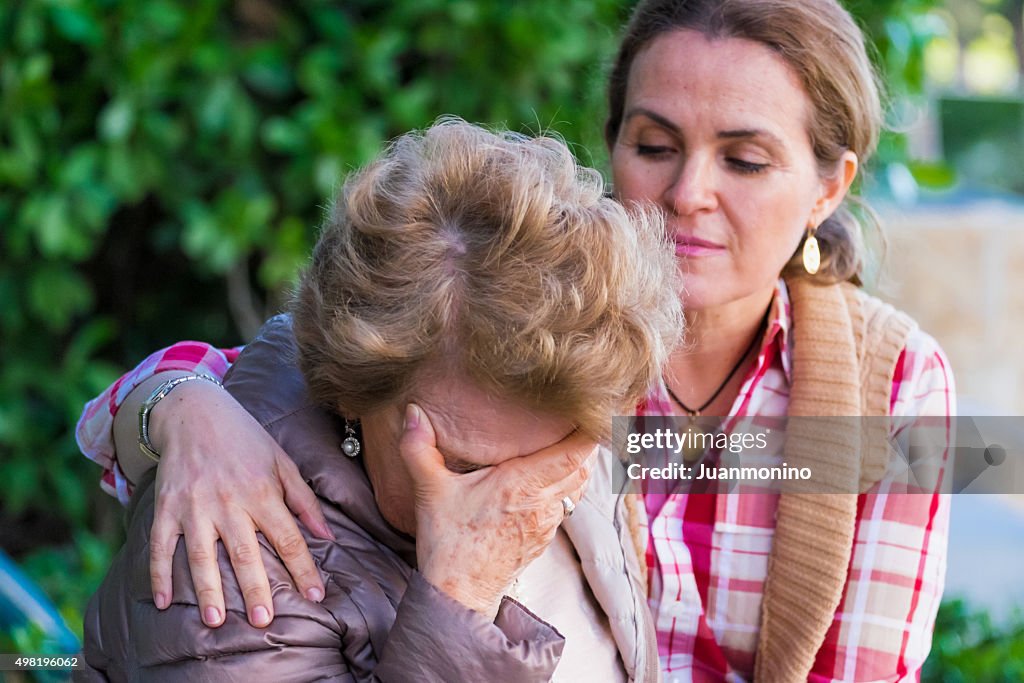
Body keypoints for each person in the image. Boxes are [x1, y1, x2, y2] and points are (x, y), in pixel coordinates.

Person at [77, 0, 955, 680]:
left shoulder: (896, 386)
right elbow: (289, 373)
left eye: (745, 160)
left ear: (827, 186)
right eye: (654, 144)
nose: (688, 192)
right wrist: (184, 407)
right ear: (612, 144)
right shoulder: (547, 316)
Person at [78, 120, 681, 681]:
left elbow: (741, 461)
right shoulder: (229, 571)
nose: (522, 504)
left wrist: (174, 399)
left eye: (555, 460)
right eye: (465, 466)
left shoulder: (569, 401)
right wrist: (459, 601)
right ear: (350, 390)